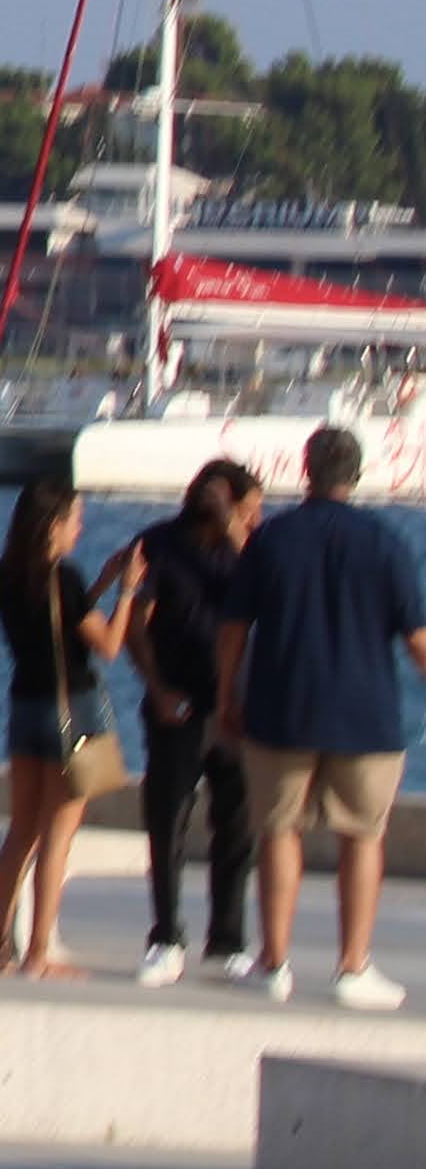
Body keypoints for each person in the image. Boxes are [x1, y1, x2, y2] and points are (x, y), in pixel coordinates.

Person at [217, 421, 426, 1010]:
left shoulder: (271, 540)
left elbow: (233, 630)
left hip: (281, 708)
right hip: (366, 716)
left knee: (278, 830)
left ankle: (274, 963)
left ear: (306, 471)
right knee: (362, 836)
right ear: (356, 475)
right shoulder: (385, 542)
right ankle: (352, 967)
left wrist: (228, 696)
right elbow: (416, 639)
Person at [0, 474, 140, 977]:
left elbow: (58, 625)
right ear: (53, 523)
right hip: (74, 709)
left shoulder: (6, 575)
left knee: (21, 832)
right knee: (57, 836)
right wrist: (128, 592)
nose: (80, 528)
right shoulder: (64, 577)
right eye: (75, 519)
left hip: (25, 707)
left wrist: (101, 584)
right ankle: (38, 952)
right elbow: (108, 645)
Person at [127, 457, 264, 985]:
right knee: (168, 820)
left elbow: (269, 598)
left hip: (235, 706)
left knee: (238, 823)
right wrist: (157, 688)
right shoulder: (161, 543)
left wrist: (236, 534)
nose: (256, 518)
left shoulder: (249, 551)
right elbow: (137, 624)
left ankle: (227, 941)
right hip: (178, 704)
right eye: (249, 508)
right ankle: (166, 936)